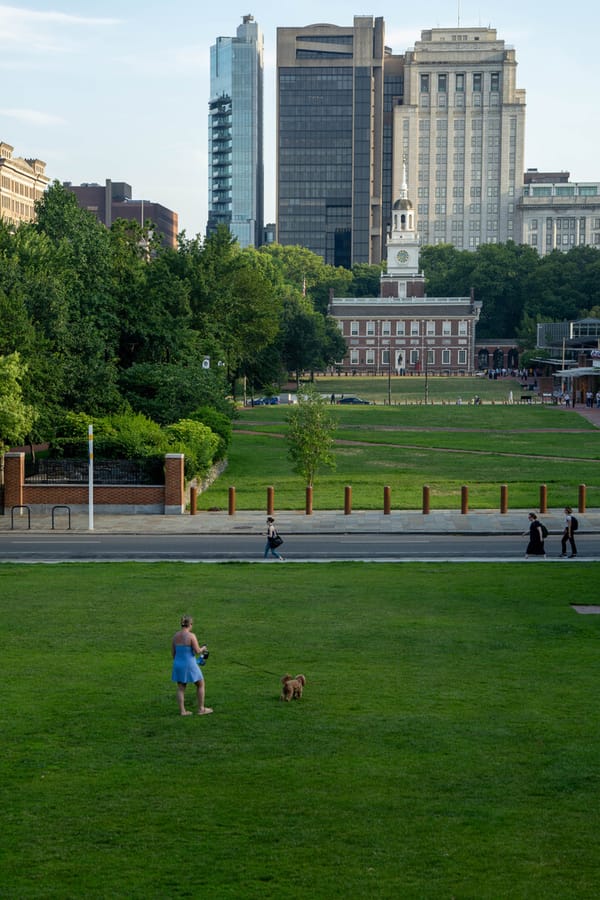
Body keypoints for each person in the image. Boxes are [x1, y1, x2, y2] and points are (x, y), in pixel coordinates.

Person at [171, 615, 212, 716]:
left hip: (178, 664)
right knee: (200, 684)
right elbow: (197, 651)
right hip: (190, 664)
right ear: (190, 624)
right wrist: (203, 648)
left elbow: (173, 653)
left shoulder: (175, 636)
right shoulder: (191, 636)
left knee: (181, 687)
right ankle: (201, 709)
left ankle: (183, 711)